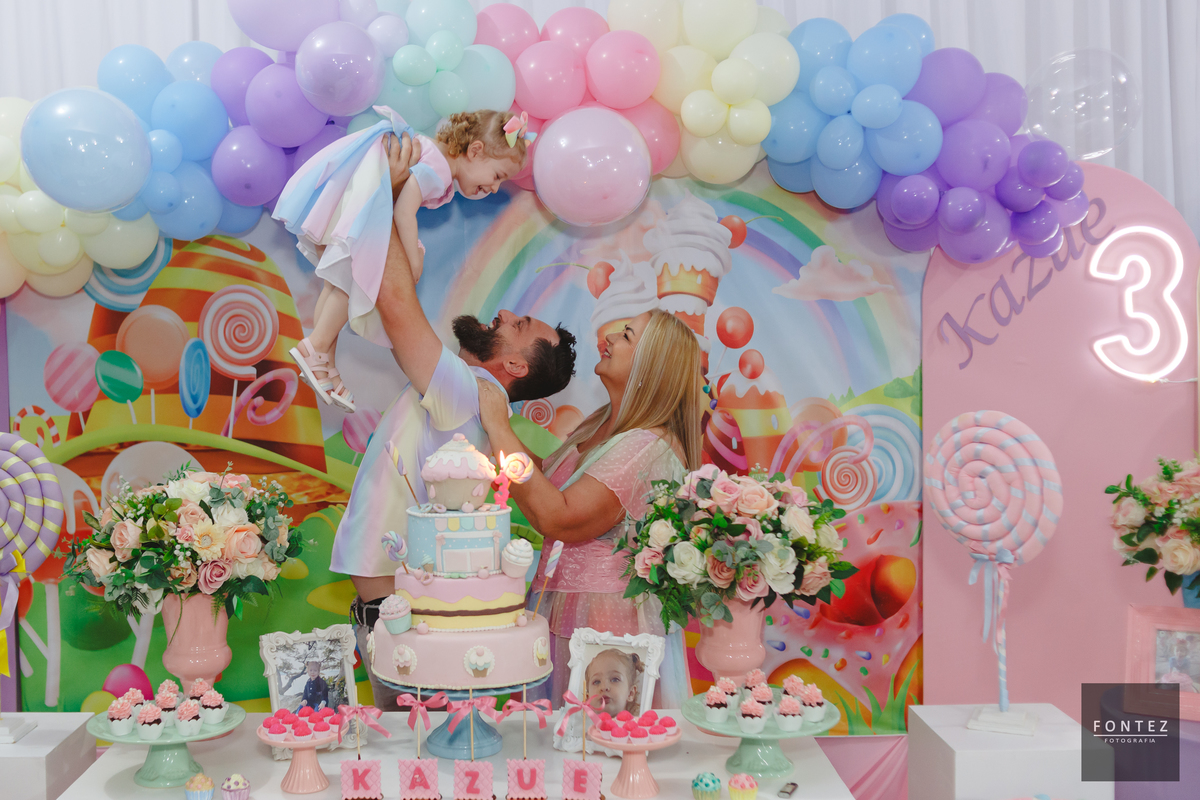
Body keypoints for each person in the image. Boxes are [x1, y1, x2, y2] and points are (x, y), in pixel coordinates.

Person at [330, 162, 578, 710]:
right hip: (398, 614)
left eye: (518, 325)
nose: (504, 312)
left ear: (515, 366)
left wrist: (386, 189)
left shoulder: (467, 390)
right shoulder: (473, 394)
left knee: (413, 744)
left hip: (405, 622)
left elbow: (396, 305)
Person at [477, 309, 704, 708]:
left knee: (595, 734)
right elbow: (543, 482)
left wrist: (497, 425)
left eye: (627, 335)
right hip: (561, 606)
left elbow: (558, 515)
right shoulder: (600, 425)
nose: (609, 339)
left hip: (603, 621)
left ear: (651, 365)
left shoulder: (647, 445)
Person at [278, 108, 533, 412]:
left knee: (338, 281)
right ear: (475, 151)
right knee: (355, 275)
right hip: (360, 193)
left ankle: (323, 358)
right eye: (497, 176)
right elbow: (403, 210)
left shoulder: (434, 157)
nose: (494, 188)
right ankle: (317, 346)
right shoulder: (439, 169)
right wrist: (412, 259)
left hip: (352, 189)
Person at [585, 649, 641, 717]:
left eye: (615, 680)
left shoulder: (637, 723)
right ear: (587, 698)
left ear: (630, 693)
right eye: (597, 682)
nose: (604, 687)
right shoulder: (581, 723)